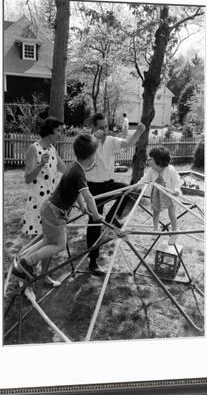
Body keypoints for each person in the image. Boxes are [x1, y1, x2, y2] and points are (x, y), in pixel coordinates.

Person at [13, 133, 103, 283]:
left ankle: (23, 261)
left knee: (48, 240)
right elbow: (88, 196)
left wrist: (81, 206)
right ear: (92, 156)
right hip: (54, 213)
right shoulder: (79, 173)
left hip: (48, 209)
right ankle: (26, 263)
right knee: (60, 244)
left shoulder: (73, 167)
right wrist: (96, 216)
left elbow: (79, 193)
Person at [86, 112, 146, 275]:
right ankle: (92, 262)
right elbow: (83, 156)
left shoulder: (111, 141)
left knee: (130, 191)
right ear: (93, 127)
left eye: (106, 126)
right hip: (92, 188)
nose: (104, 130)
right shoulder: (89, 141)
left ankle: (112, 220)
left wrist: (138, 133)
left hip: (107, 183)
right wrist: (95, 140)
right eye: (100, 127)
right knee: (94, 224)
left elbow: (127, 143)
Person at [22, 116, 66, 285]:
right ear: (49, 132)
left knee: (50, 241)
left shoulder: (53, 149)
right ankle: (24, 276)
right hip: (37, 204)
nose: (61, 134)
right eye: (58, 131)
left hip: (50, 204)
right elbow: (27, 178)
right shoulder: (34, 149)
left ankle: (44, 276)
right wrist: (40, 164)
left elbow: (64, 169)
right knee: (35, 241)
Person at [138, 146, 182, 244]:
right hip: (157, 194)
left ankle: (175, 232)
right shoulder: (151, 170)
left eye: (151, 159)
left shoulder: (170, 169)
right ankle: (155, 229)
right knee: (156, 212)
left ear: (159, 161)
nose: (148, 160)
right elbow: (144, 180)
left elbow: (178, 181)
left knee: (172, 214)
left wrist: (176, 190)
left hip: (169, 194)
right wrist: (136, 186)